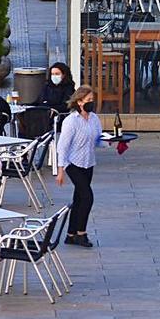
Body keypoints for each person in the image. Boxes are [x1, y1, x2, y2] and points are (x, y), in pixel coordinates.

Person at [57, 86, 105, 247]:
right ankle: (81, 233)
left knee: (78, 198)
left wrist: (113, 141)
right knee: (87, 197)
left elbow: (98, 139)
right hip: (73, 163)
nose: (92, 103)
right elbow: (62, 146)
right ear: (79, 101)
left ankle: (70, 234)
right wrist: (60, 170)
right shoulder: (71, 121)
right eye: (89, 100)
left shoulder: (94, 119)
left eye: (93, 100)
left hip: (88, 162)